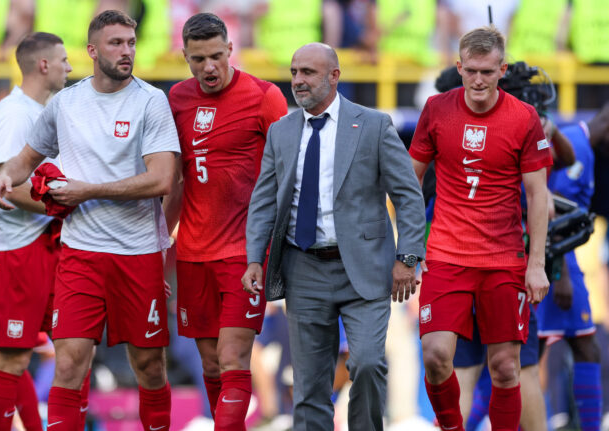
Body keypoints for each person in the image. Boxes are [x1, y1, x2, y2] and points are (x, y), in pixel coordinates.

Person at [0, 10, 179, 430]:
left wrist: (87, 190)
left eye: (131, 42)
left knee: (148, 365)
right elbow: (28, 156)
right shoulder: (66, 103)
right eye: (116, 43)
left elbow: (162, 178)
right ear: (92, 51)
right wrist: (6, 176)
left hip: (137, 252)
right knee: (70, 363)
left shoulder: (152, 101)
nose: (126, 51)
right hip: (80, 253)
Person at [242, 42, 426, 430]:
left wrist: (407, 259)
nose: (298, 81)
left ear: (334, 75)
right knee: (309, 383)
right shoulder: (281, 132)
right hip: (303, 267)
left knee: (369, 363)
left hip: (365, 268)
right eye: (294, 72)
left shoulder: (373, 125)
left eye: (308, 72)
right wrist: (255, 258)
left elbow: (408, 196)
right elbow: (262, 202)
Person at [409, 26, 552, 431]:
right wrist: (406, 249)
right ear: (459, 66)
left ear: (502, 70)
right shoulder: (437, 109)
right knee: (436, 356)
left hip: (503, 259)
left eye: (487, 72)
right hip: (447, 255)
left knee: (506, 367)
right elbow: (409, 180)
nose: (477, 80)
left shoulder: (523, 117)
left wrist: (536, 263)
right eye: (470, 70)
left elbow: (539, 195)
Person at [164, 12, 287, 429]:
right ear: (185, 56)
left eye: (217, 56)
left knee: (234, 355)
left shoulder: (264, 97)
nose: (209, 67)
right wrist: (162, 241)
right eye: (198, 59)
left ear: (231, 49)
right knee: (212, 363)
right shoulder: (176, 100)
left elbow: (290, 175)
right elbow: (175, 180)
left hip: (244, 253)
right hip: (193, 252)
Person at [0, 32, 71, 431]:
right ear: (43, 65)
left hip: (41, 241)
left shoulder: (42, 109)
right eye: (64, 60)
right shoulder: (16, 114)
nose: (70, 67)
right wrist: (70, 206)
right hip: (15, 247)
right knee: (12, 358)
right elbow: (11, 187)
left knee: (72, 349)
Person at [537, 110, 607, 431]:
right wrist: (561, 273)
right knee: (584, 346)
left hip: (552, 257)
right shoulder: (576, 146)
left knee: (528, 353)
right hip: (555, 260)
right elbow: (554, 206)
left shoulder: (580, 144)